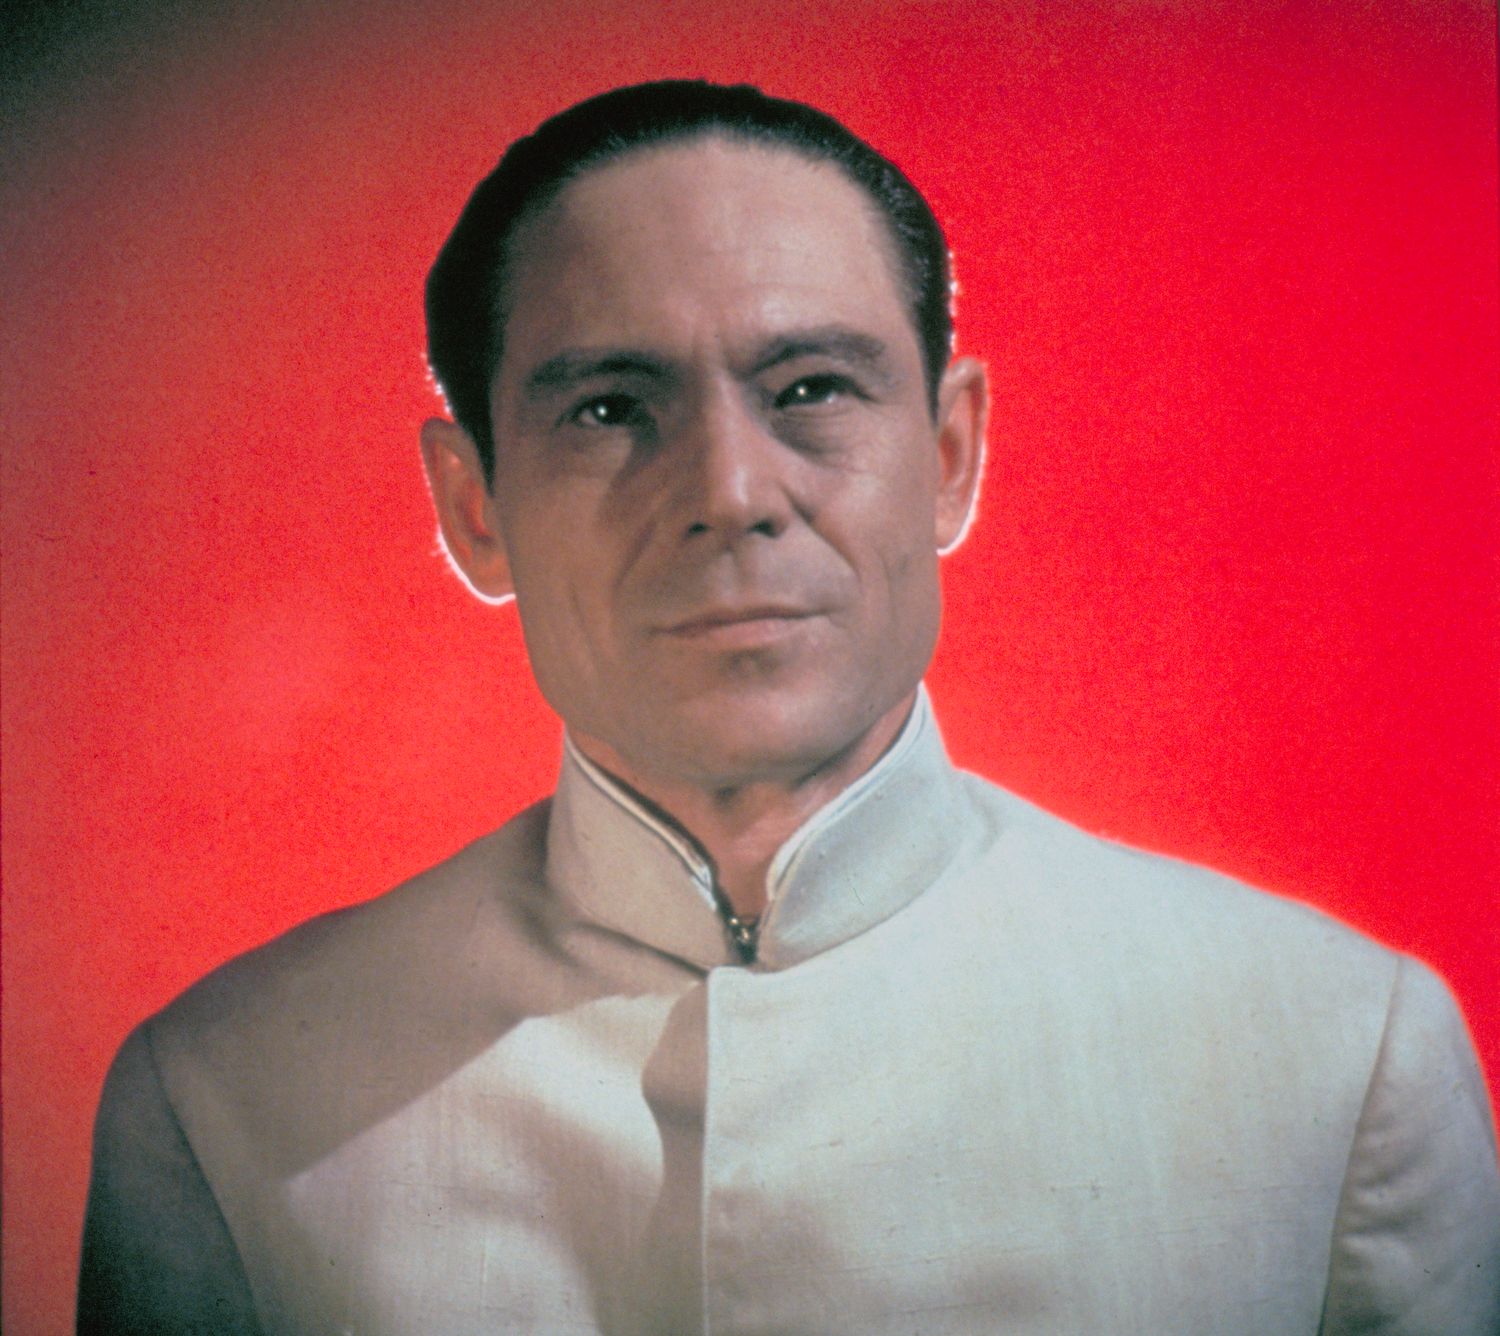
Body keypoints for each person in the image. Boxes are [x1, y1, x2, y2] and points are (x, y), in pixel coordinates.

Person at [78, 80, 1499, 1335]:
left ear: (951, 454)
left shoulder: (1331, 1062)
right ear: (472, 507)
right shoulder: (227, 1104)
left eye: (811, 387)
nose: (730, 492)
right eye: (609, 409)